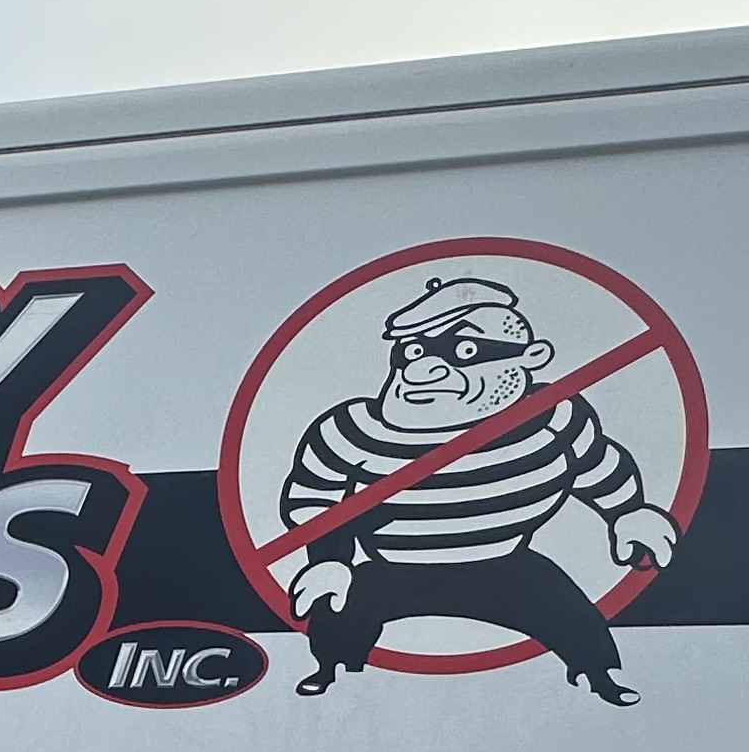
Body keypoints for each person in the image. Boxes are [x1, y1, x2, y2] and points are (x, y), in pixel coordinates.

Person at [282, 275, 678, 701]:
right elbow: (318, 498)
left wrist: (627, 513)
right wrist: (328, 561)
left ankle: (600, 675)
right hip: (391, 566)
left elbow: (597, 463)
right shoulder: (353, 432)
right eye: (413, 352)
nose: (422, 369)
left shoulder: (553, 419)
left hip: (505, 563)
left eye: (464, 351)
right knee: (339, 610)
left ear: (531, 358)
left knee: (571, 615)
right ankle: (328, 670)